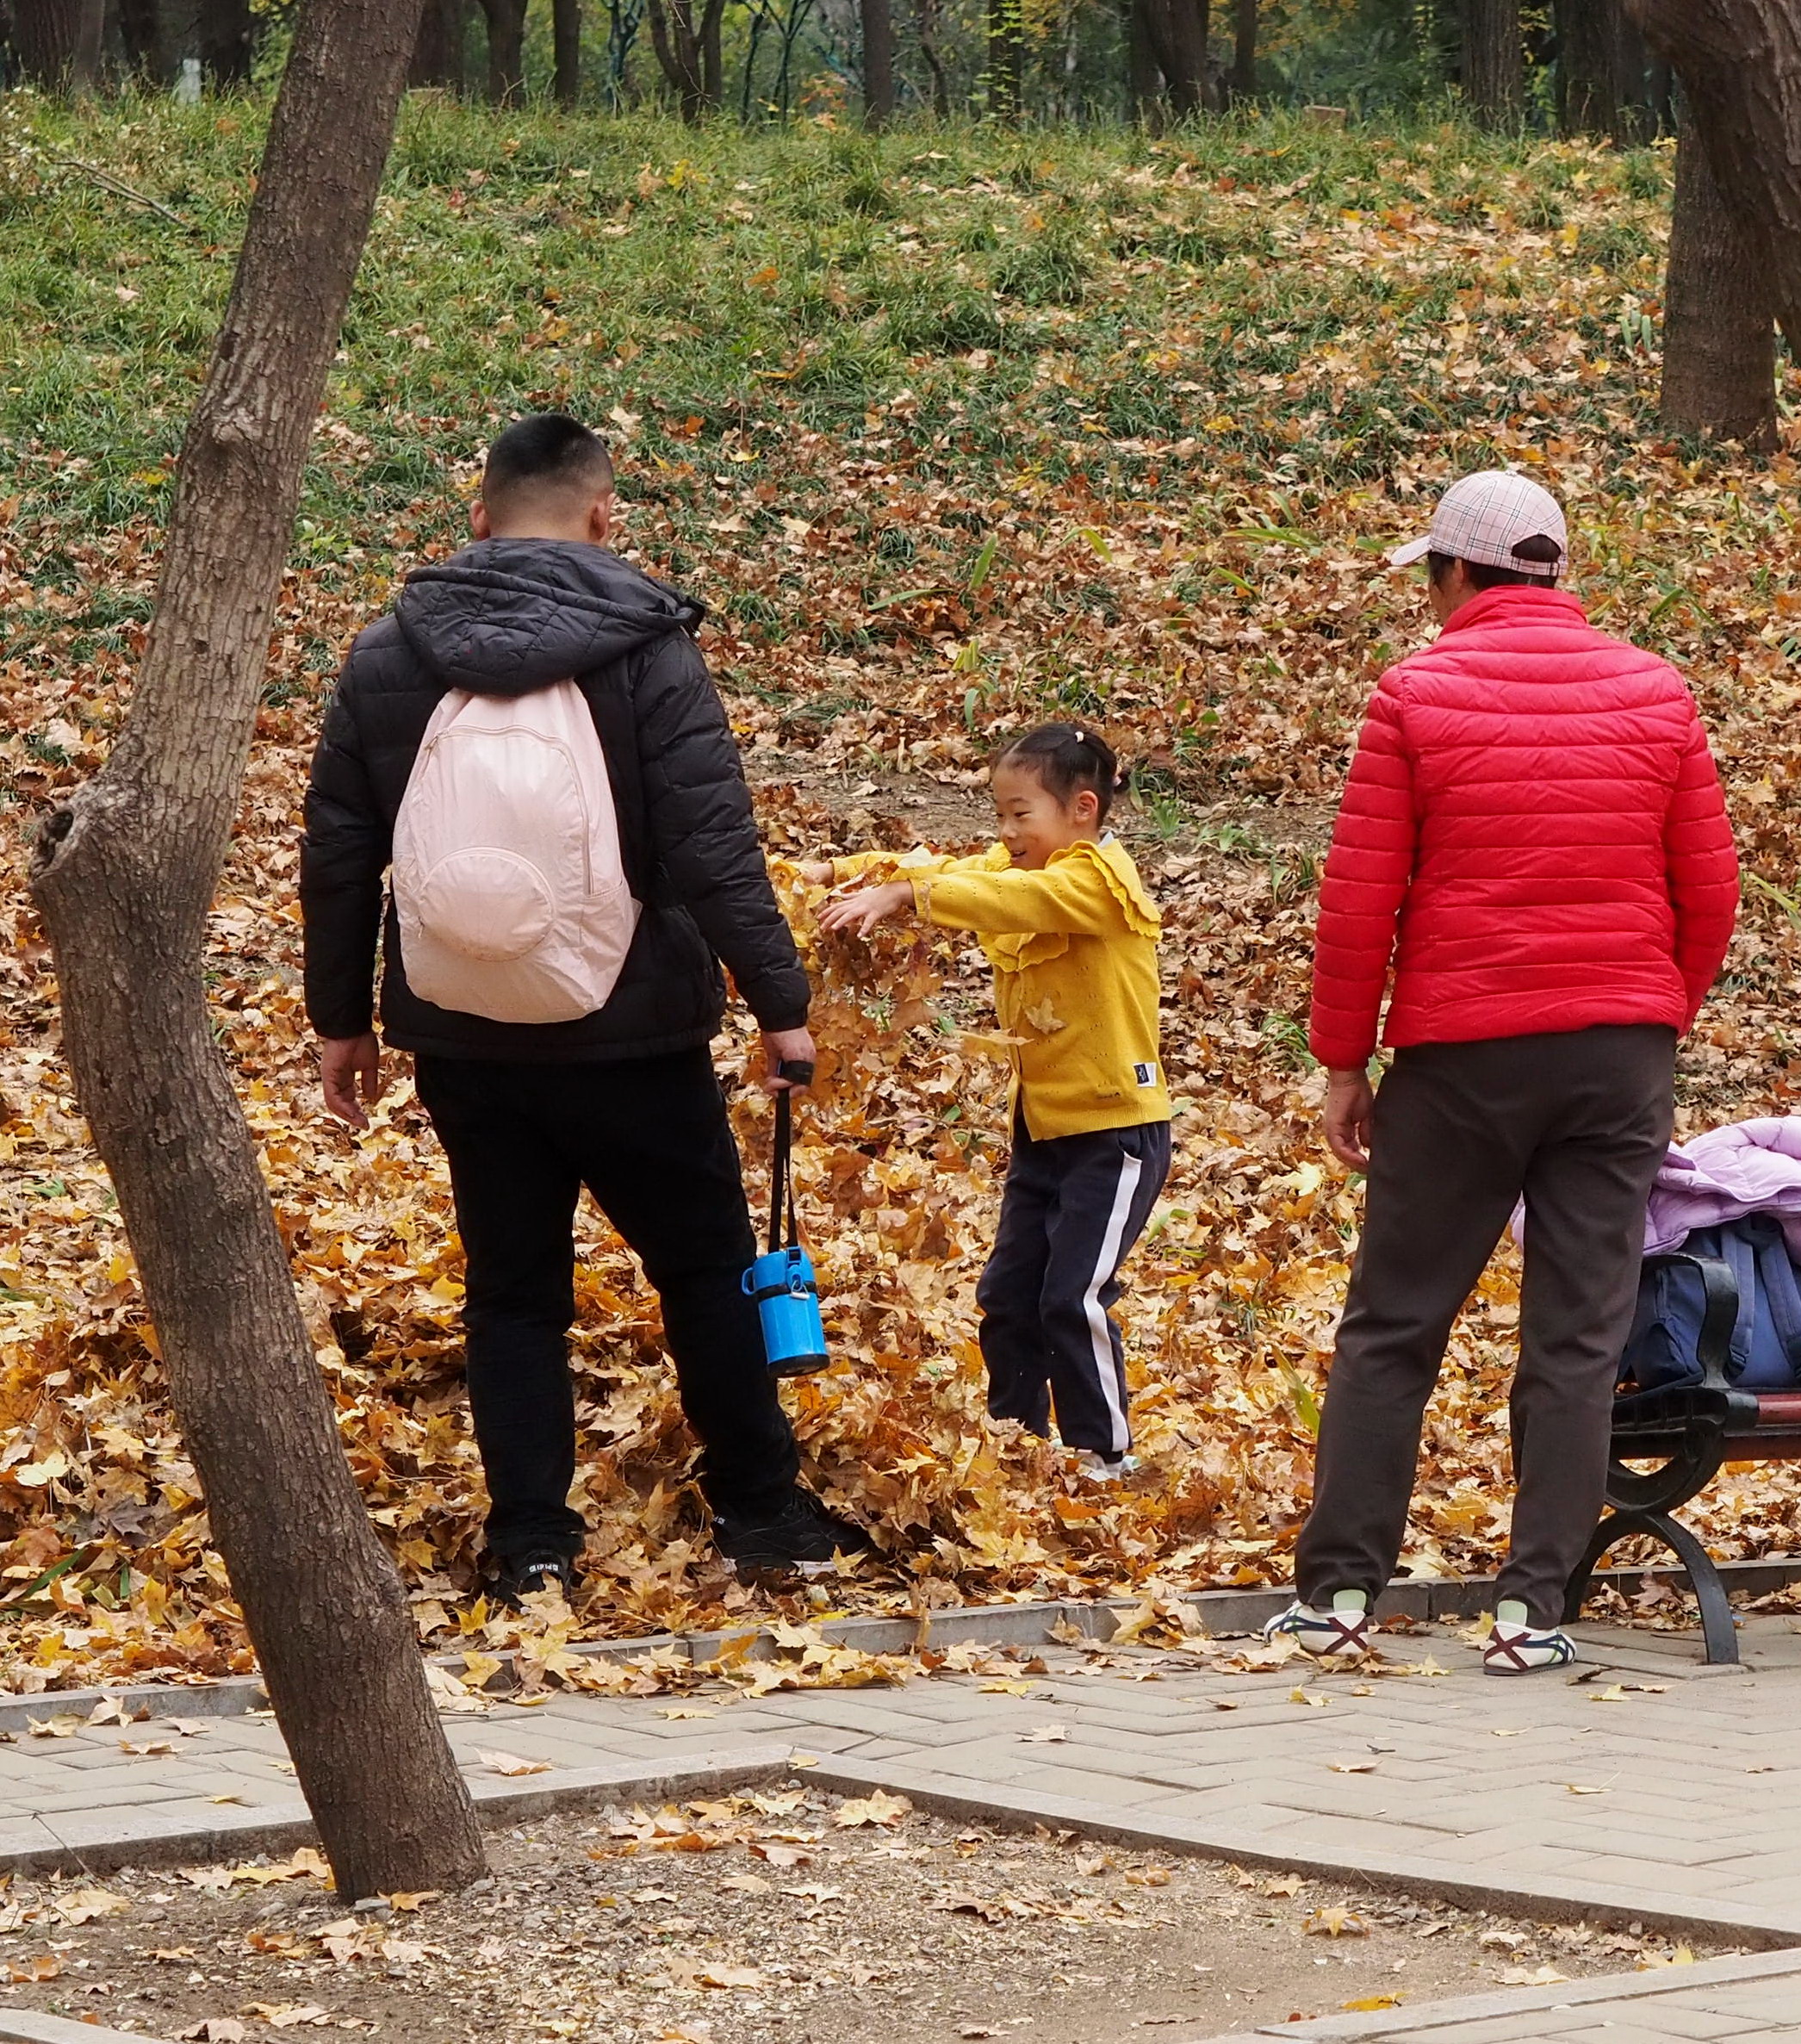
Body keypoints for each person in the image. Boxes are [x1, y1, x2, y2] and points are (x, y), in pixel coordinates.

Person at [301, 413, 866, 1601]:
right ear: (604, 518)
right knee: (705, 1268)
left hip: (462, 1027)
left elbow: (341, 851)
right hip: (633, 1027)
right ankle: (762, 1513)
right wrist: (780, 1003)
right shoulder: (645, 647)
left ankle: (532, 1544)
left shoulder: (390, 652)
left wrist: (340, 1017)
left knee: (512, 1290)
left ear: (477, 517)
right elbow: (713, 847)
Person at [1266, 470, 1741, 1676]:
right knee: (1576, 1336)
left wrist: (1341, 1059)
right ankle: (1533, 1613)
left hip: (1462, 1054)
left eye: (1430, 574)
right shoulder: (1654, 690)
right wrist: (1656, 1011)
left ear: (1456, 573)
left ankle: (1339, 1595)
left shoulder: (1416, 694)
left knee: (1394, 1325)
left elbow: (1360, 899)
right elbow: (1712, 891)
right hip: (1616, 1055)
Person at [814, 725, 1170, 1480]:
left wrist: (913, 894)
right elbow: (947, 868)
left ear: (1081, 808)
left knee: (1072, 1297)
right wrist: (839, 874)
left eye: (1020, 815)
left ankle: (1104, 1455)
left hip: (1117, 1134)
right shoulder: (1019, 868)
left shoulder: (1098, 879)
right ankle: (1017, 1442)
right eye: (999, 815)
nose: (1006, 833)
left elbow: (1010, 896)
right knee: (1009, 1294)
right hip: (1043, 1129)